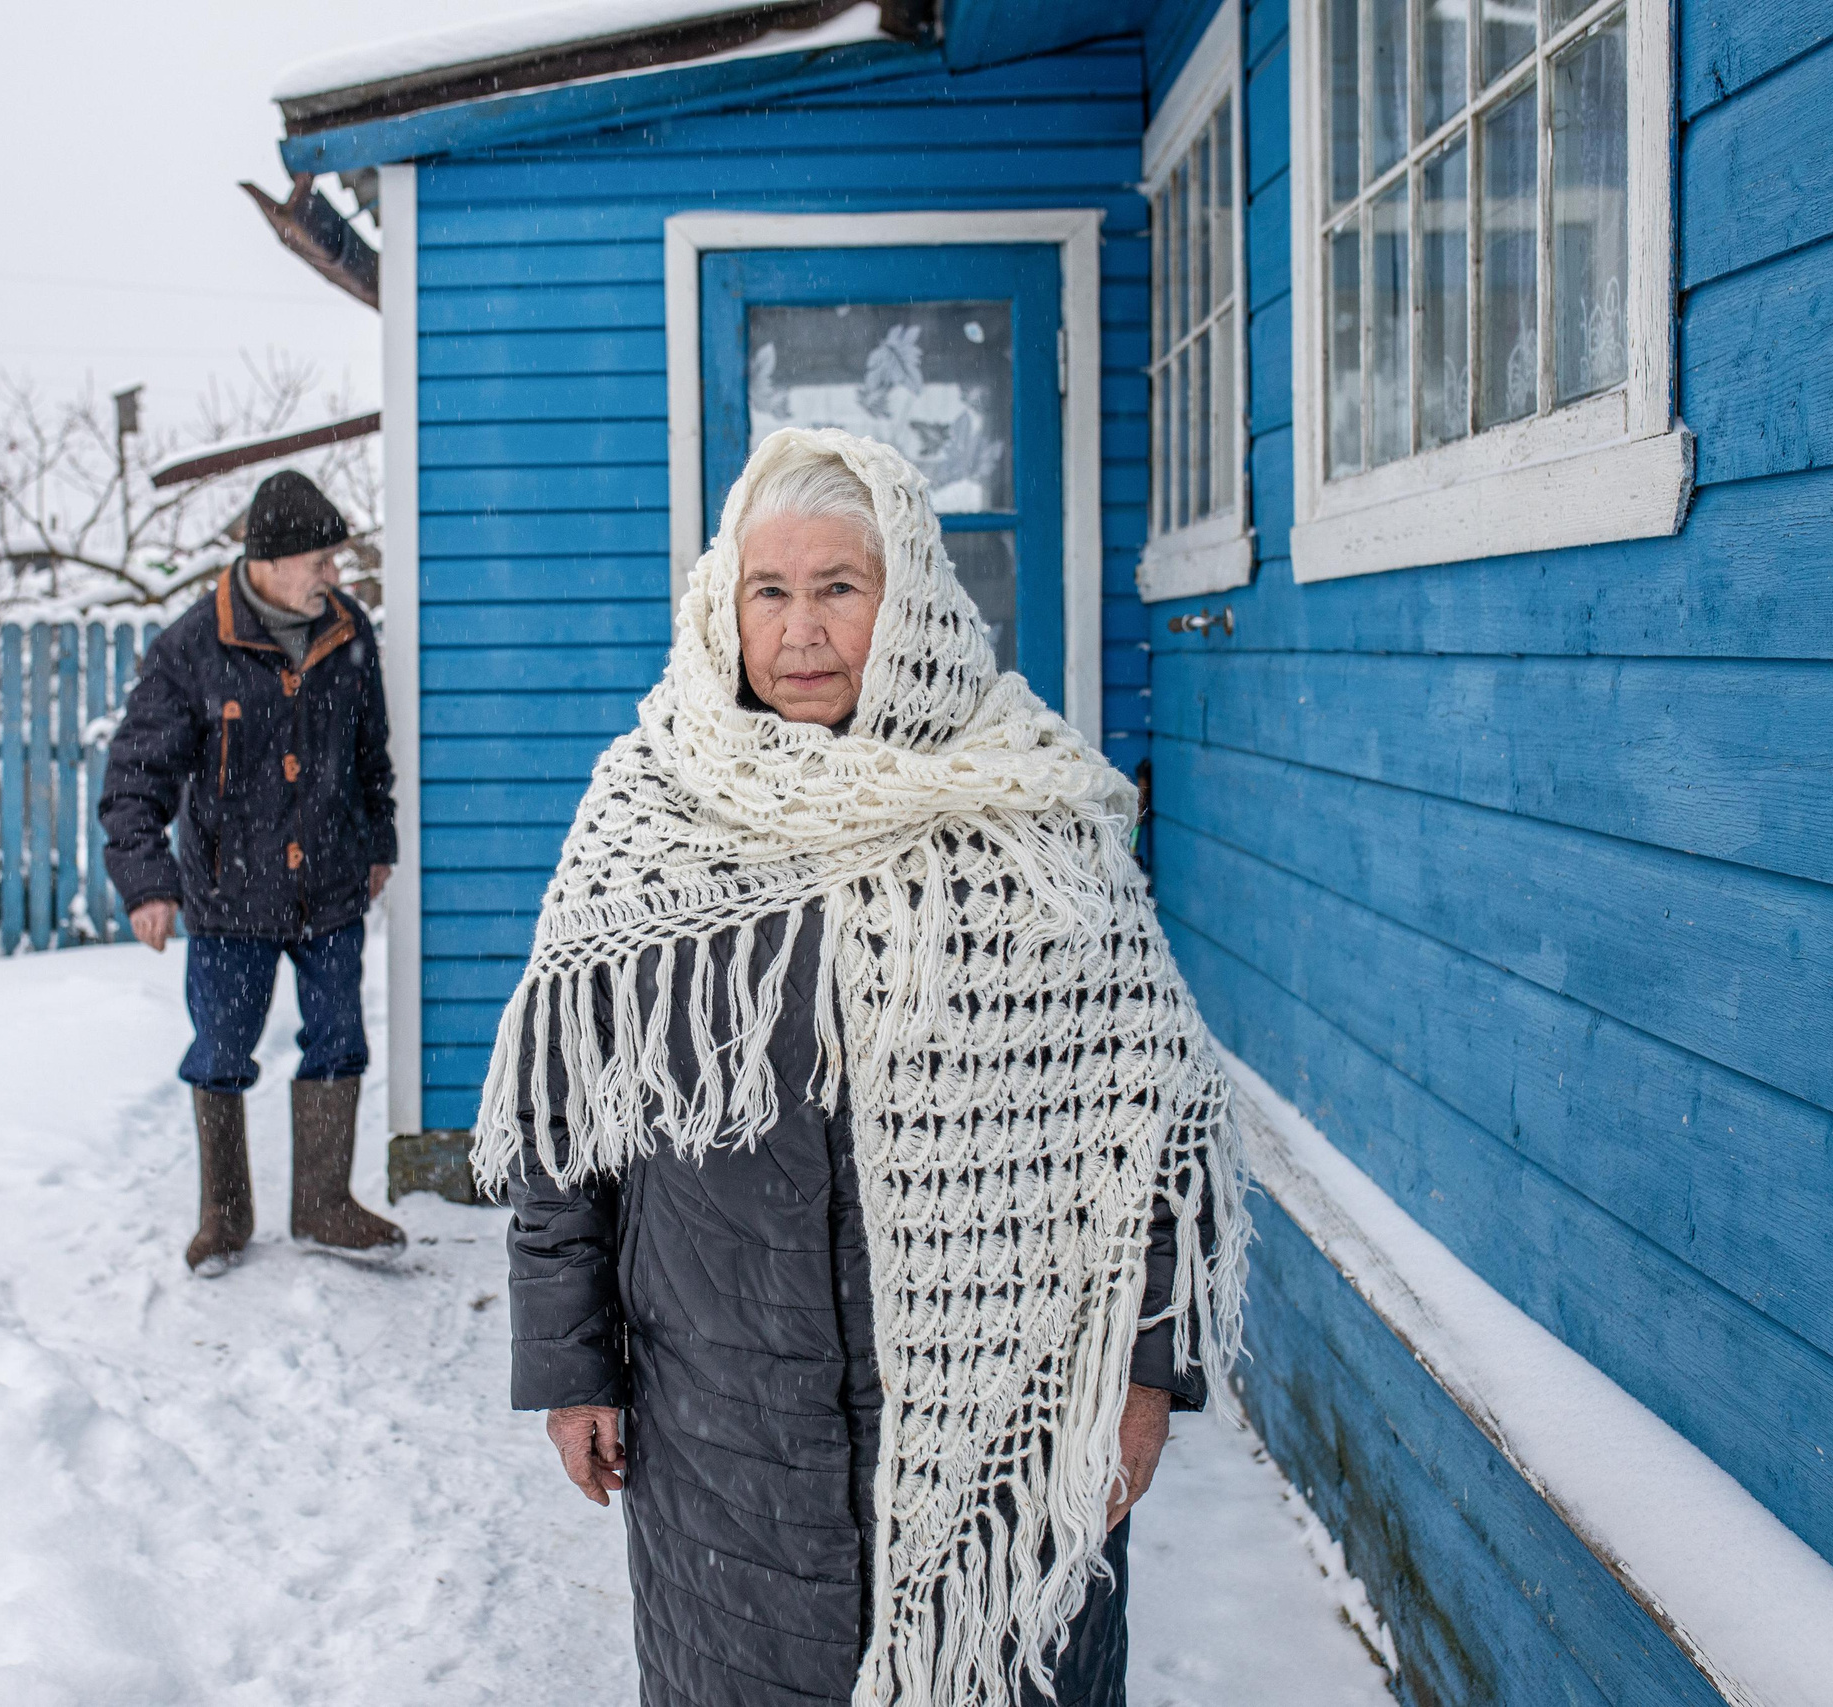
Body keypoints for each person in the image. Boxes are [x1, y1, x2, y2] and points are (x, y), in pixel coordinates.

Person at [471, 429, 1247, 1707]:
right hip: (721, 1440)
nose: (801, 629)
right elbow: (565, 1129)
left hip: (1013, 1425)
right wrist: (570, 1371)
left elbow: (1151, 1128)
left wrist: (1144, 1381)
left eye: (840, 586)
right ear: (727, 609)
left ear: (915, 601)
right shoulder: (644, 816)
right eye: (768, 592)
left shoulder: (1032, 812)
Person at [100, 470, 402, 1270]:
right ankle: (225, 1215)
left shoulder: (349, 632)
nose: (333, 577)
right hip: (231, 898)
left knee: (339, 1041)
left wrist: (379, 844)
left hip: (332, 890)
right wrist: (149, 884)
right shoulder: (193, 648)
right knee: (222, 1048)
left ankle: (326, 1205)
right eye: (320, 561)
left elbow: (371, 753)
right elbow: (135, 780)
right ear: (268, 560)